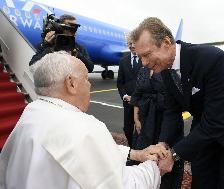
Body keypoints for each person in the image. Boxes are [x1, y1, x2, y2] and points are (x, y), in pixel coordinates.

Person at [131, 17, 224, 189]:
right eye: (140, 57)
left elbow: (216, 121)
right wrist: (163, 143)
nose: (143, 63)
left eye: (146, 55)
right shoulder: (165, 69)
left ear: (166, 42)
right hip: (205, 133)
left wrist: (173, 155)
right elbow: (171, 111)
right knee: (202, 179)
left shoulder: (211, 58)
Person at [0, 51, 174, 189]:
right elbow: (125, 185)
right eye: (85, 78)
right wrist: (155, 168)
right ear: (71, 83)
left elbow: (89, 151)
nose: (89, 84)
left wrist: (137, 154)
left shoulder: (33, 111)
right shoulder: (84, 127)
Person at [130, 67, 184, 189]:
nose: (144, 60)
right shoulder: (143, 70)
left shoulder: (172, 70)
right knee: (144, 153)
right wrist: (136, 118)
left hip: (165, 119)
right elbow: (137, 94)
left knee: (164, 157)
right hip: (146, 119)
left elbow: (177, 103)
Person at [29, 14, 94, 73]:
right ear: (59, 29)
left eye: (75, 29)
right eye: (70, 29)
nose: (74, 32)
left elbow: (90, 68)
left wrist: (76, 53)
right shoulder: (47, 45)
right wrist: (48, 46)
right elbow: (33, 65)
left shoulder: (78, 48)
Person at [117, 35, 142, 147]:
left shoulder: (145, 59)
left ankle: (139, 149)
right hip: (128, 102)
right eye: (130, 44)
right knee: (127, 129)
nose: (132, 46)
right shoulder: (123, 61)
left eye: (134, 43)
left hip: (141, 102)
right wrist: (124, 95)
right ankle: (132, 148)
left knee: (140, 128)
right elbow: (120, 82)